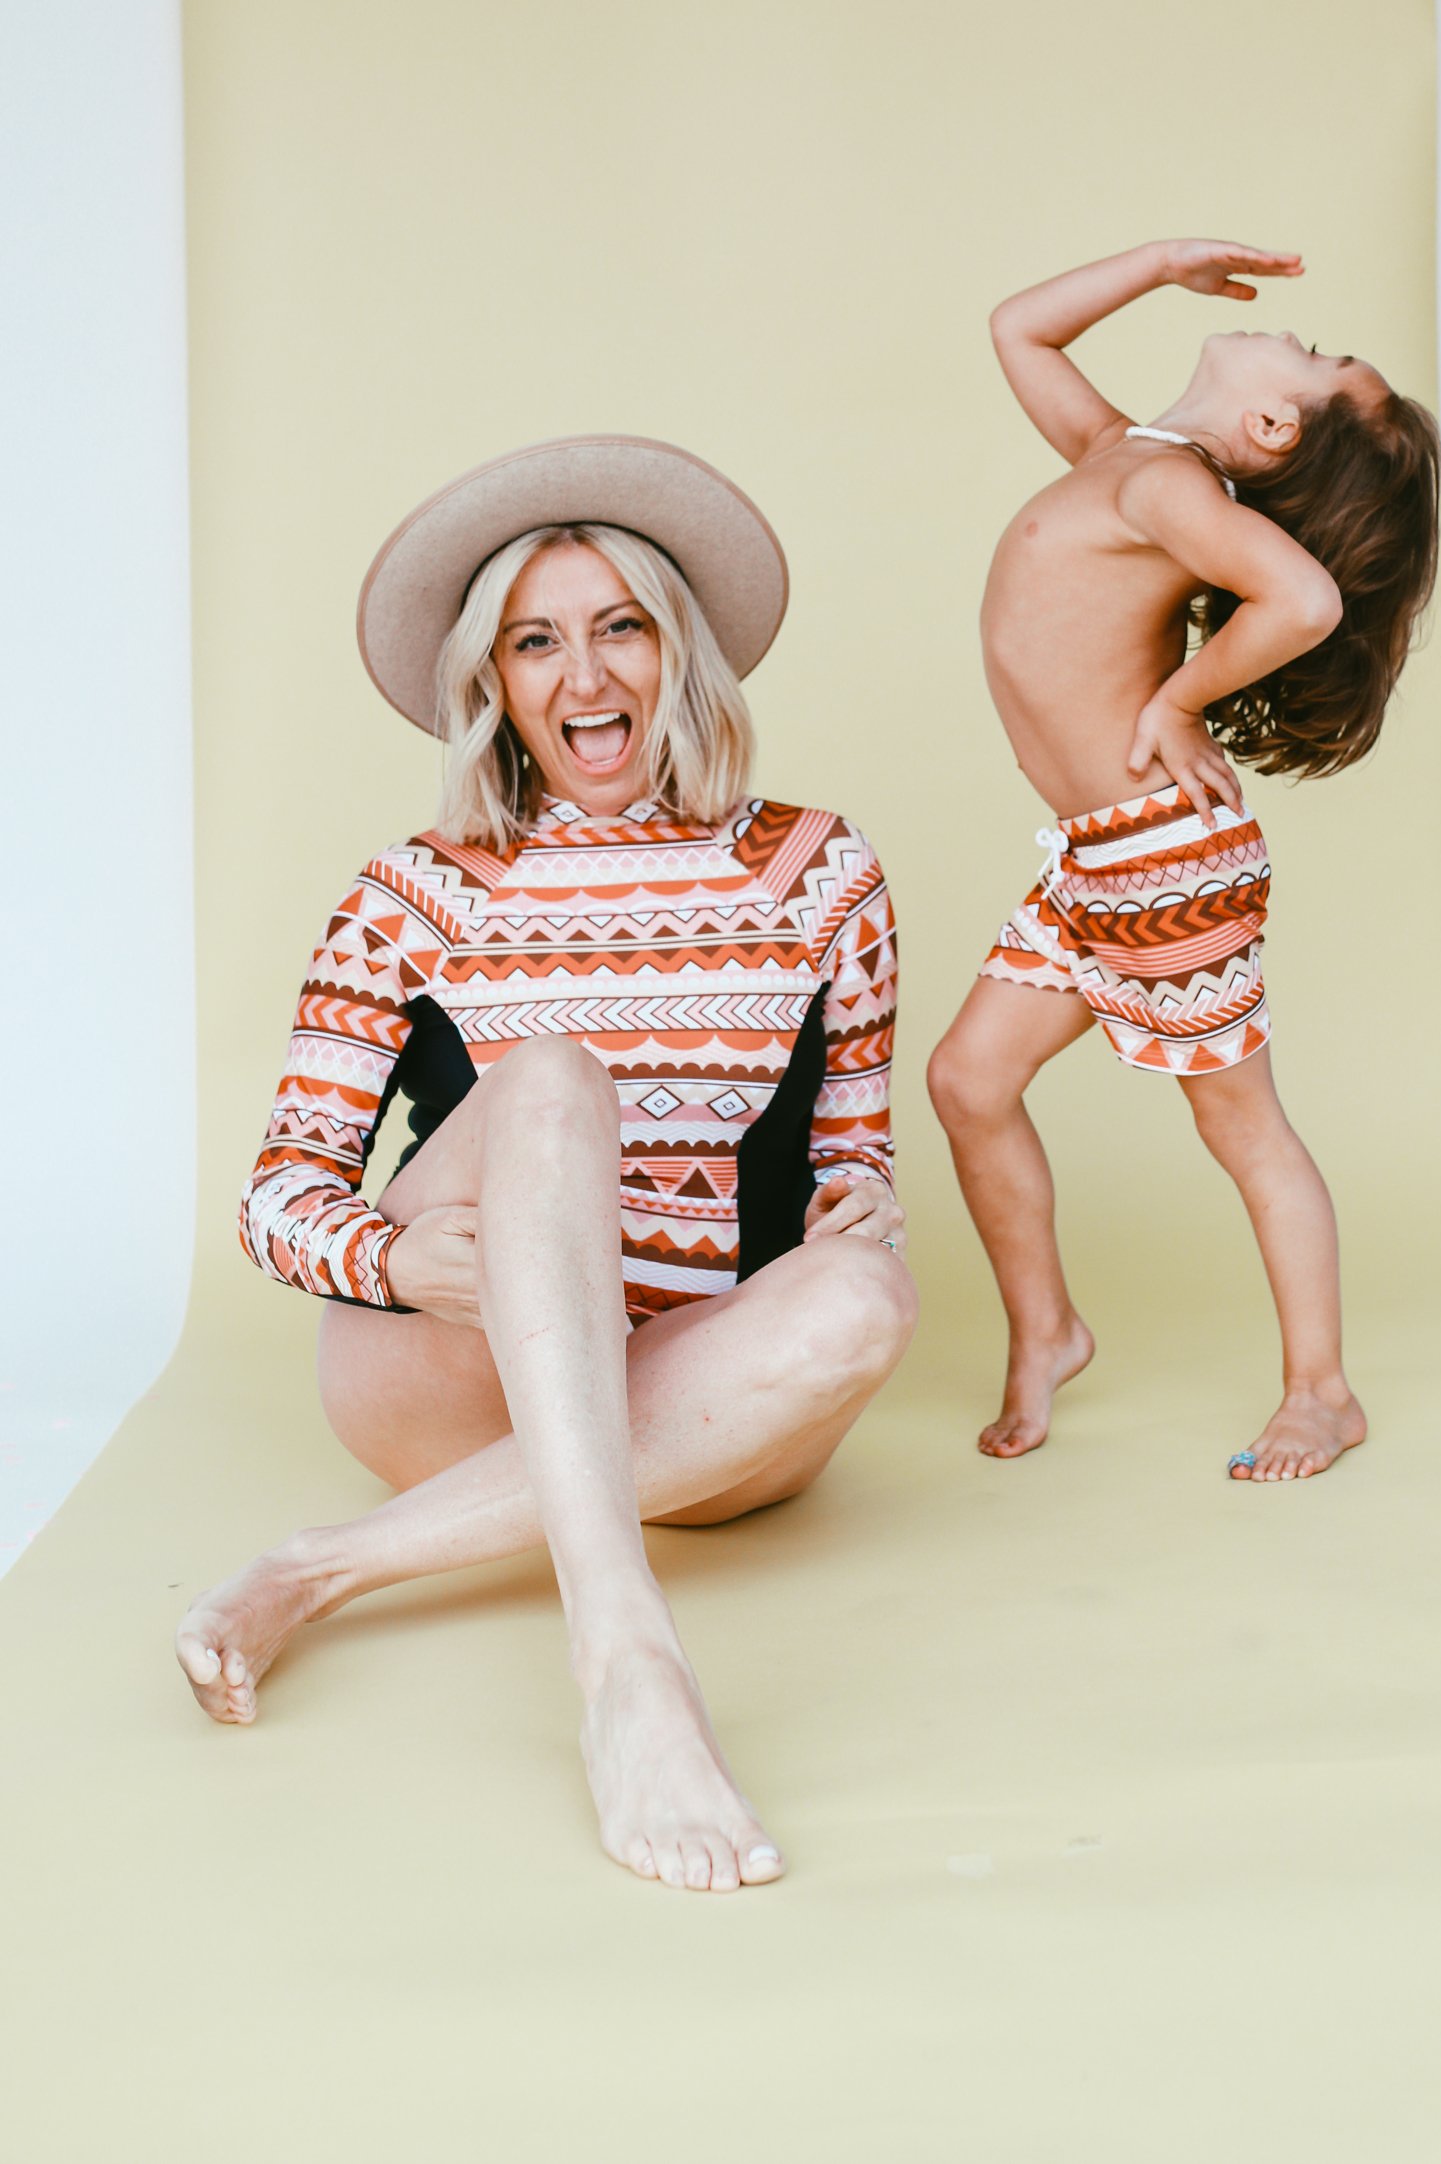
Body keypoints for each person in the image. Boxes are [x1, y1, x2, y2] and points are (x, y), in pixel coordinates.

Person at [175, 434, 914, 1892]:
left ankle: (319, 1567)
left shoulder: (823, 873)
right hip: (445, 1387)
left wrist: (859, 1210)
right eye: (536, 642)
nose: (584, 679)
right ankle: (625, 1661)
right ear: (493, 684)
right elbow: (277, 1196)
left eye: (618, 628)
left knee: (865, 1307)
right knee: (557, 1075)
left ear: (676, 649)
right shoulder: (412, 892)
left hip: (711, 1402)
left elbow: (855, 1160)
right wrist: (386, 1255)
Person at [928, 239, 1440, 1477]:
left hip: (1161, 864)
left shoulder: (1168, 494)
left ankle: (1320, 1391)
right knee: (966, 1081)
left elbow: (1305, 604)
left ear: (1269, 422)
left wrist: (1177, 701)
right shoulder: (1127, 461)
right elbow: (1016, 329)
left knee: (1243, 1131)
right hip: (1096, 860)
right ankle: (1047, 1325)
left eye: (1316, 360)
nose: (1297, 334)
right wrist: (1161, 264)